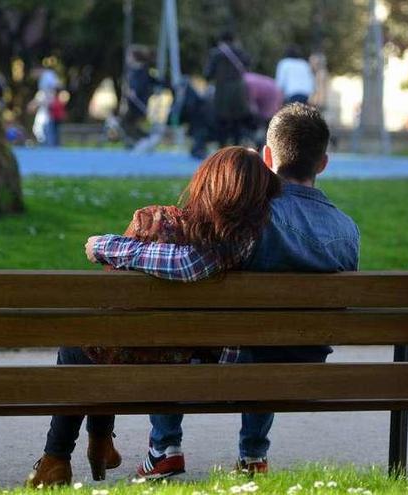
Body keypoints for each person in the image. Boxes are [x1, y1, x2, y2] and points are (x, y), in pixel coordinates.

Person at [86, 103, 360, 479]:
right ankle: (252, 455)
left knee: (178, 310)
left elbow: (190, 265)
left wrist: (111, 246)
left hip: (234, 363)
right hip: (306, 362)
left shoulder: (251, 216)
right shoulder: (348, 231)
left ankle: (165, 445)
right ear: (324, 163)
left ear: (267, 156)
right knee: (272, 336)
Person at [27, 146, 282, 487]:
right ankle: (97, 444)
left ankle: (59, 457)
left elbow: (185, 265)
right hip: (207, 360)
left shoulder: (213, 248)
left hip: (182, 370)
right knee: (95, 343)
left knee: (81, 346)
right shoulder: (250, 240)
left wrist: (107, 246)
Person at [205, 31, 251, 146]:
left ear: (221, 40)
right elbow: (248, 64)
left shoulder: (215, 53)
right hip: (239, 92)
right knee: (237, 124)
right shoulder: (240, 52)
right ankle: (237, 152)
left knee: (222, 124)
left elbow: (207, 74)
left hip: (222, 92)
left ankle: (222, 152)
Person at [121, 46, 161, 147]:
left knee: (128, 123)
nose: (127, 59)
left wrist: (134, 92)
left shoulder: (142, 70)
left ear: (134, 58)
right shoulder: (133, 70)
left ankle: (146, 138)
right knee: (127, 123)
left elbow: (142, 85)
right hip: (133, 103)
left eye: (129, 56)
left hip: (139, 103)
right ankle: (140, 140)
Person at [243, 72, 283, 148]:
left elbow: (252, 105)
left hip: (271, 96)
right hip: (274, 89)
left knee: (267, 123)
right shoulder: (247, 78)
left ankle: (264, 146)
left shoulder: (247, 83)